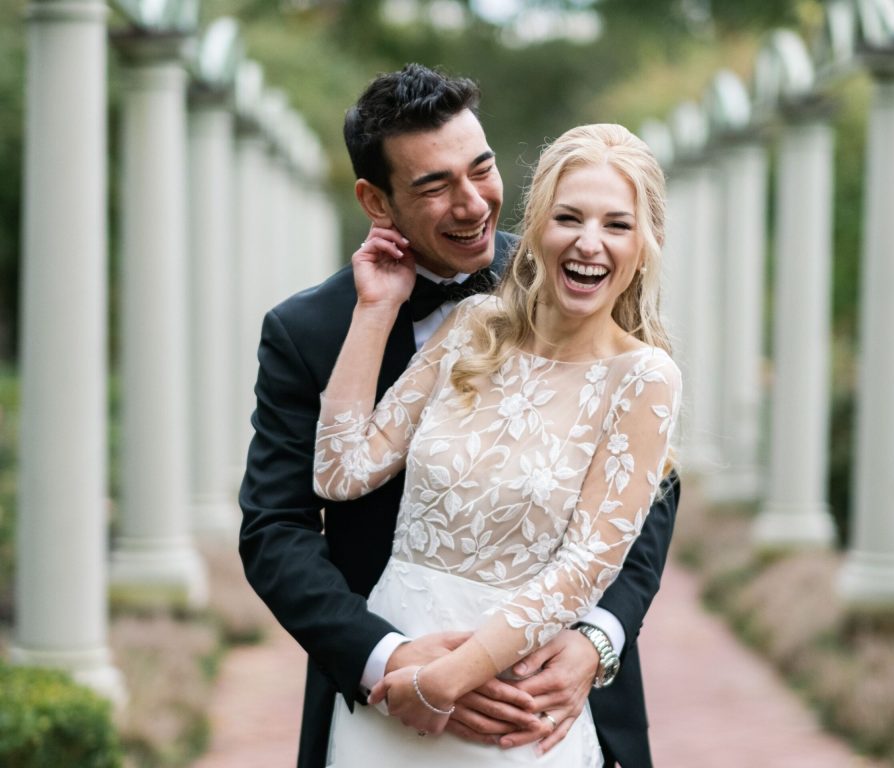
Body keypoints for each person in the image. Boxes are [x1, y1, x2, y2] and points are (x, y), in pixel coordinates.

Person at [239, 64, 680, 768]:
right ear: (375, 201)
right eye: (435, 184)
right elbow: (279, 526)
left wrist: (595, 639)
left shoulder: (593, 307)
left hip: (534, 699)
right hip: (387, 692)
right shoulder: (317, 330)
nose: (474, 203)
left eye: (482, 169)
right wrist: (390, 665)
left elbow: (643, 507)